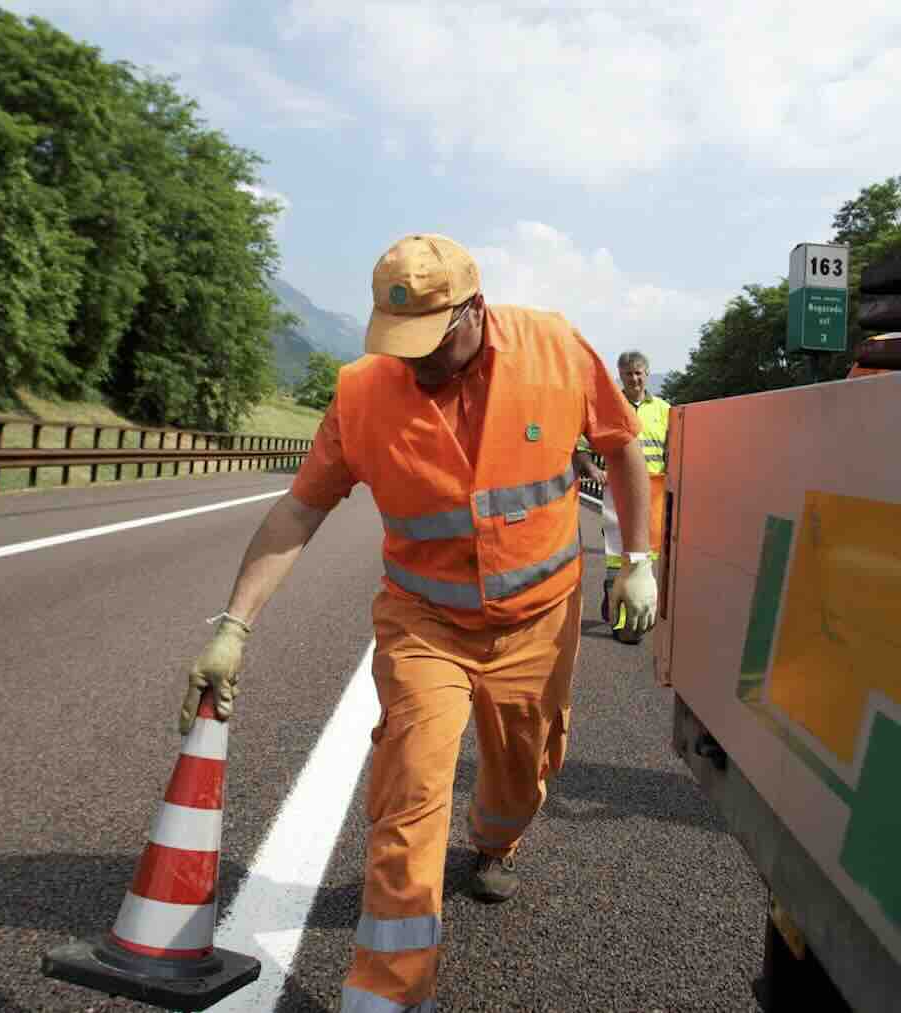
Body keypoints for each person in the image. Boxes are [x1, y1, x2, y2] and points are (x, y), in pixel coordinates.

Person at [176, 233, 659, 1012]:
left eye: (429, 344)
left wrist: (637, 556)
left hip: (539, 621)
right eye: (399, 344)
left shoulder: (555, 347)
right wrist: (234, 624)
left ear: (474, 310)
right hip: (424, 621)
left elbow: (622, 447)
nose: (415, 363)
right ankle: (388, 994)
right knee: (410, 787)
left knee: (524, 773)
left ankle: (497, 839)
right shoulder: (366, 391)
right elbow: (301, 507)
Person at [572, 350, 671, 644]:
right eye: (628, 374)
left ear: (647, 373)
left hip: (654, 492)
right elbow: (580, 446)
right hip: (617, 492)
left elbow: (675, 448)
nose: (634, 378)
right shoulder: (609, 409)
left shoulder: (665, 409)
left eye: (639, 373)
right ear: (621, 376)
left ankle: (626, 602)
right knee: (618, 558)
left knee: (645, 558)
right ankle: (623, 623)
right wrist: (591, 469)